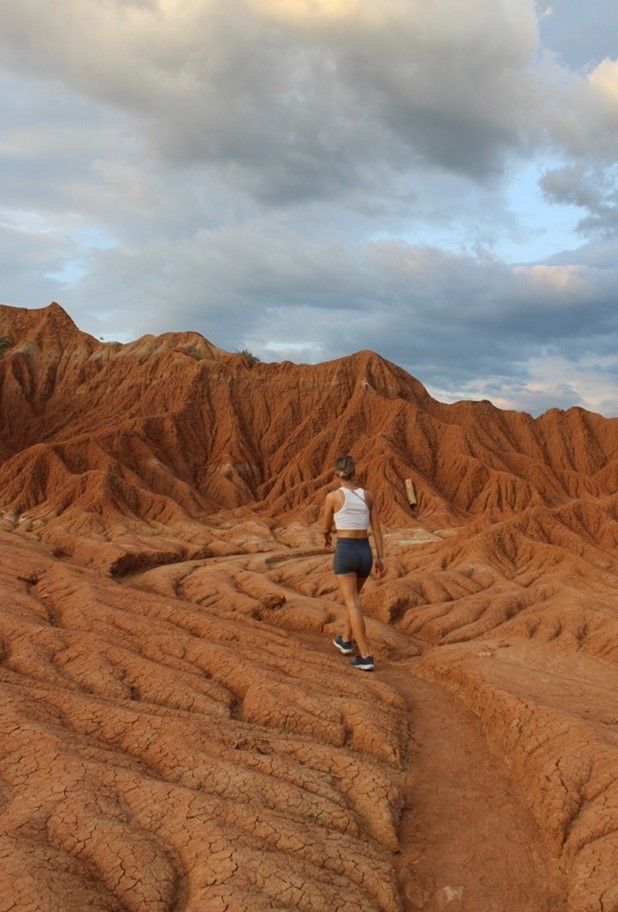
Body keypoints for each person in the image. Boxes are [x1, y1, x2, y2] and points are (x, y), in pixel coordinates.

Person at [322, 455, 385, 671]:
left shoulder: (332, 497)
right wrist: (381, 557)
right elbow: (376, 529)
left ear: (336, 474)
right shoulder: (368, 496)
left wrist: (326, 536)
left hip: (346, 551)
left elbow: (325, 526)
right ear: (354, 473)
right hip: (365, 553)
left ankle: (366, 656)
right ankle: (346, 640)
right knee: (355, 600)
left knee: (352, 603)